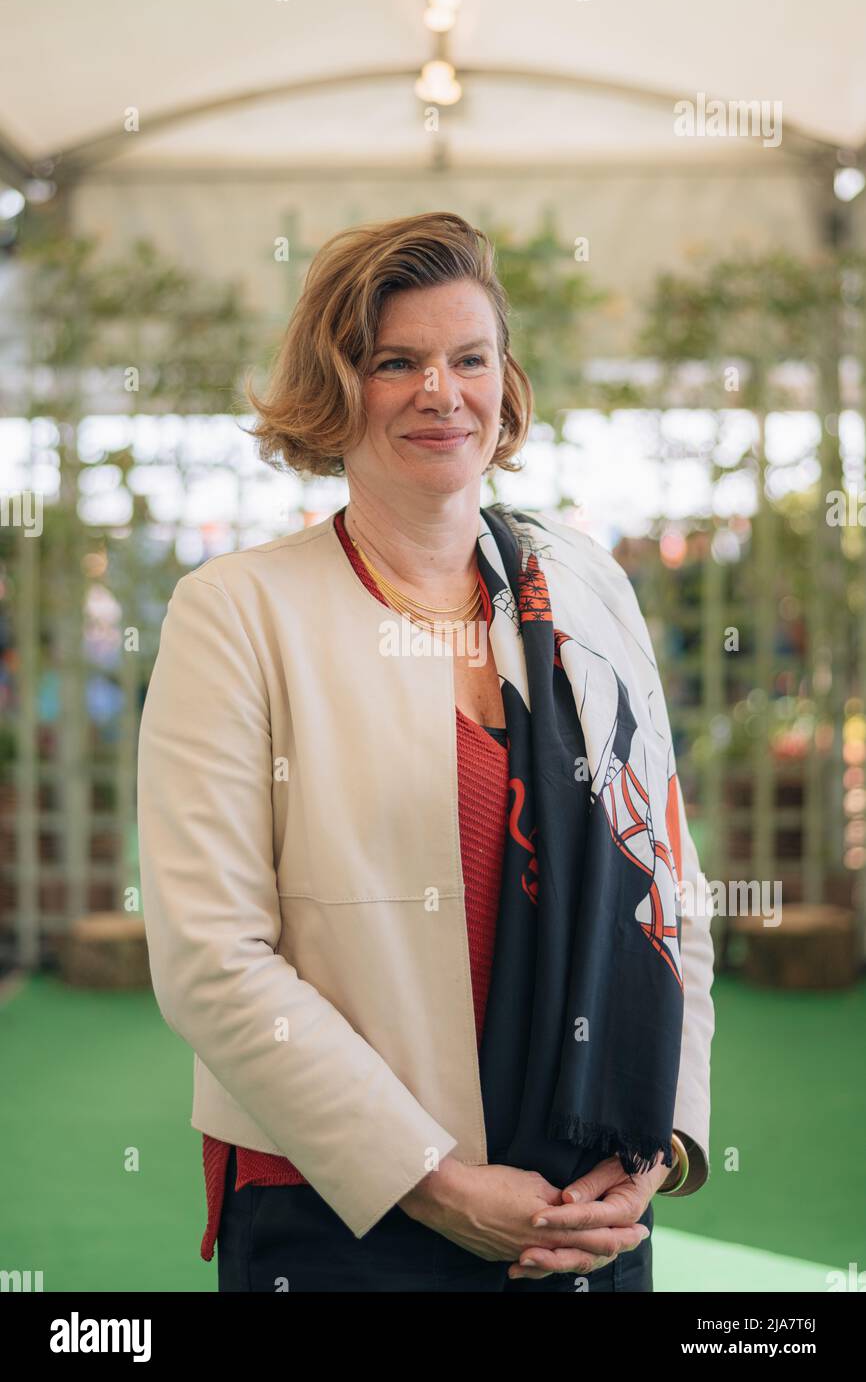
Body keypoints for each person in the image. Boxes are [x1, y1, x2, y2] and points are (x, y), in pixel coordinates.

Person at [137, 211, 715, 1293]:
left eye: (467, 358)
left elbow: (664, 883)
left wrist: (656, 1145)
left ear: (504, 382)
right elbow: (212, 956)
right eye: (393, 361)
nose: (439, 392)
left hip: (583, 1195)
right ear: (333, 385)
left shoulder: (584, 588)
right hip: (339, 1204)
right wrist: (432, 1180)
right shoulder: (235, 612)